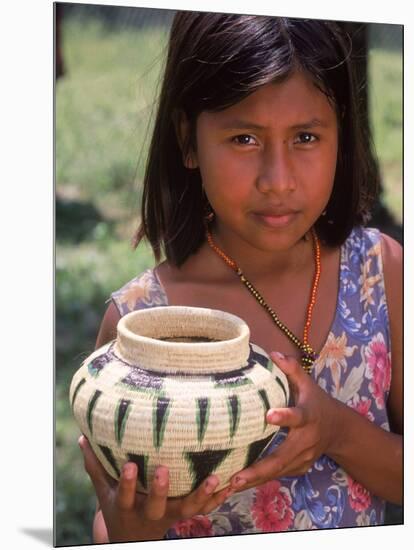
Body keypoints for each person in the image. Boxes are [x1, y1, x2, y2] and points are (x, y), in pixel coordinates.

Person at [77, 12, 402, 542]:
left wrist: (336, 431)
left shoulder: (381, 275)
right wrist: (126, 528)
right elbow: (119, 515)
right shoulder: (144, 322)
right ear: (188, 140)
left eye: (305, 136)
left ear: (341, 133)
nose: (277, 180)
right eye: (244, 139)